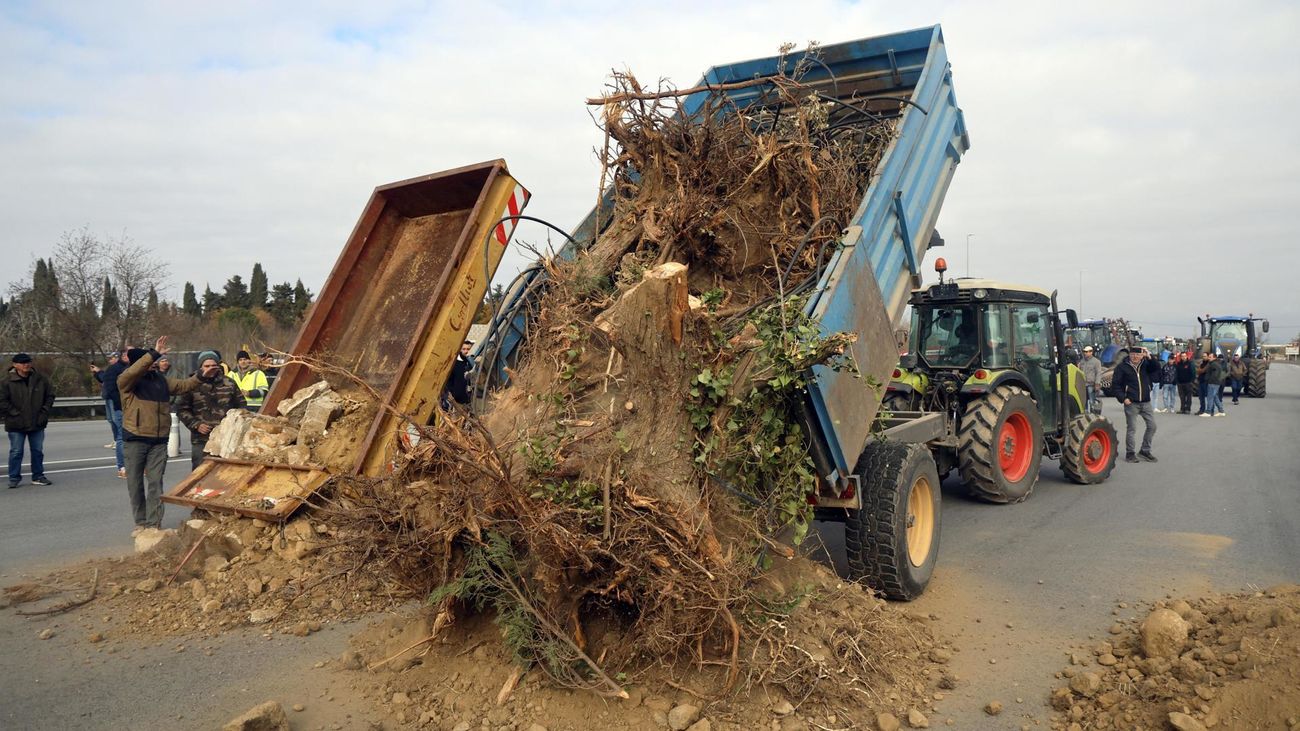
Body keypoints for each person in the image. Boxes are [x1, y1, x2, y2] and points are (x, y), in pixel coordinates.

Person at [118, 336, 201, 533]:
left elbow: (182, 386)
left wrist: (201, 376)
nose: (154, 364)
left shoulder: (161, 381)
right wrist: (154, 353)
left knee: (156, 483)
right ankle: (140, 522)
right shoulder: (126, 381)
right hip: (135, 439)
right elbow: (133, 371)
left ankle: (154, 524)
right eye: (150, 361)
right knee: (135, 483)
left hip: (158, 441)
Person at [175, 351, 245, 469]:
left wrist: (233, 425)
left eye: (214, 365)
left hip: (225, 438)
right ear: (200, 367)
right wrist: (196, 424)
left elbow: (241, 407)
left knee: (225, 473)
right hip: (201, 439)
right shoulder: (191, 384)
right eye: (207, 366)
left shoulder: (229, 383)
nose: (210, 369)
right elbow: (181, 409)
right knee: (199, 473)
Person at [2, 354, 56, 488]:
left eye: (28, 362)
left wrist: (44, 412)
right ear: (15, 365)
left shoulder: (40, 379)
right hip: (16, 422)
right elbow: (2, 401)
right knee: (16, 451)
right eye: (22, 362)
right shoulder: (6, 382)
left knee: (37, 450)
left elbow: (50, 396)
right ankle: (14, 478)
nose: (26, 364)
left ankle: (38, 476)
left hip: (37, 421)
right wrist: (14, 413)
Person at [1111, 347, 1158, 463]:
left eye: (1138, 355)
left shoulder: (1146, 365)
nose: (1135, 357)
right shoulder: (1122, 367)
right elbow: (1115, 385)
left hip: (1146, 402)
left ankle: (1145, 451)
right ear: (1129, 355)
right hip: (1131, 403)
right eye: (1133, 355)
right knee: (1132, 429)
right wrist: (1123, 398)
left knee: (1152, 426)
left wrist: (1149, 356)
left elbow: (1156, 368)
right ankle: (1130, 453)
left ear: (1142, 356)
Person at [442, 340, 475, 409]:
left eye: (468, 349)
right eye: (464, 349)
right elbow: (457, 384)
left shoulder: (466, 361)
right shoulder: (456, 364)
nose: (466, 351)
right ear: (460, 349)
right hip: (456, 399)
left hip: (464, 395)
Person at [1079, 345, 1103, 414]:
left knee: (1092, 401)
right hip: (1083, 384)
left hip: (1091, 384)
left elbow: (1098, 373)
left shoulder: (1096, 362)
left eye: (1087, 352)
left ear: (1091, 352)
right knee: (1084, 401)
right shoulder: (1082, 361)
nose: (1085, 353)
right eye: (1084, 352)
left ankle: (1093, 414)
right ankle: (1085, 415)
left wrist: (1097, 383)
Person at [1201, 352, 1226, 417]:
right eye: (1208, 357)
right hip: (1215, 383)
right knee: (1215, 397)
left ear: (1214, 357)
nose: (1209, 358)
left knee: (1210, 397)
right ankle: (1221, 411)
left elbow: (1215, 375)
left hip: (1213, 383)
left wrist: (1209, 380)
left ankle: (1208, 412)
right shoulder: (1215, 363)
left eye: (1210, 357)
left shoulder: (1214, 364)